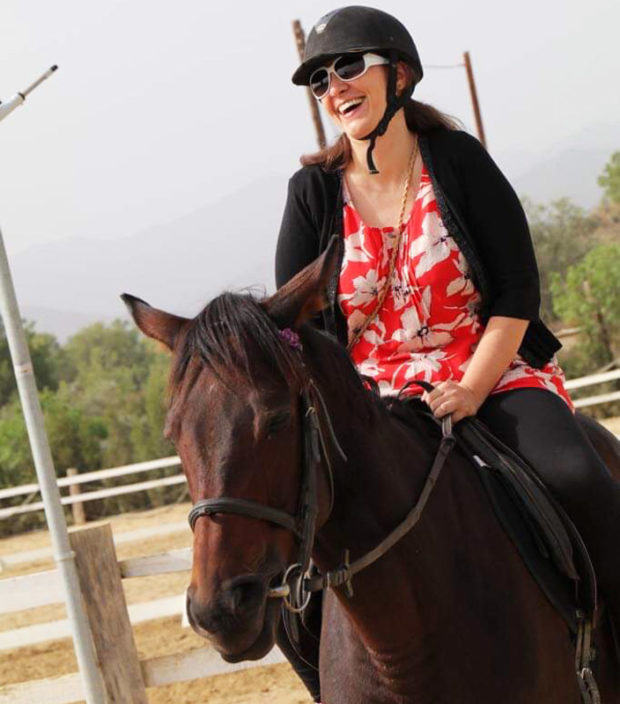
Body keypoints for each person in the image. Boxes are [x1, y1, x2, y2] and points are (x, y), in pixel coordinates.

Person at [275, 6, 620, 700]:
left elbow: (517, 288)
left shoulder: (457, 161)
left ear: (397, 74)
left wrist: (469, 387)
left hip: (490, 373)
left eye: (347, 67)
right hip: (371, 405)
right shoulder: (311, 193)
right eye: (319, 79)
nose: (333, 85)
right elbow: (297, 329)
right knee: (291, 584)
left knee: (579, 473)